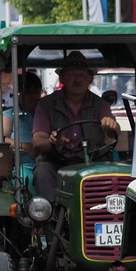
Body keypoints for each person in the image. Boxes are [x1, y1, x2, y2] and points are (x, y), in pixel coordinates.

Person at [30, 52, 118, 201]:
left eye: (82, 75)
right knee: (42, 171)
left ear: (90, 79)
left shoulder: (100, 105)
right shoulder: (46, 104)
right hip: (57, 163)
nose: (77, 79)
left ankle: (102, 212)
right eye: (72, 75)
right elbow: (38, 141)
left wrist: (111, 125)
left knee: (114, 174)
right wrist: (52, 141)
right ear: (62, 78)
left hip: (93, 162)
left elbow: (113, 132)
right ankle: (50, 213)